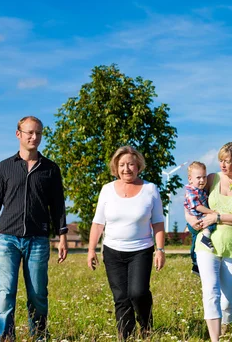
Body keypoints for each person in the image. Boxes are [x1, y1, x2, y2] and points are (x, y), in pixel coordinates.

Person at [0, 116, 68, 342]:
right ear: (19, 134)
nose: (34, 137)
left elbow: (58, 205)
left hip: (38, 240)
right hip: (8, 240)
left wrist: (62, 236)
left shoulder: (51, 169)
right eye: (29, 133)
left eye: (38, 133)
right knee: (5, 294)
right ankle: (5, 338)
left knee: (37, 295)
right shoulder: (4, 167)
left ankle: (40, 337)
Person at [87, 146, 166, 341]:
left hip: (141, 250)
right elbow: (98, 223)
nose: (126, 169)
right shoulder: (107, 190)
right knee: (121, 298)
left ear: (138, 165)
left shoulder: (150, 189)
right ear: (116, 167)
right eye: (121, 165)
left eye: (131, 164)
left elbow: (157, 222)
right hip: (113, 251)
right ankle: (125, 335)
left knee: (138, 293)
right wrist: (91, 250)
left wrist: (160, 250)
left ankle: (146, 324)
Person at [185, 142, 232, 342]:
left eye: (227, 161)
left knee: (227, 299)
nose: (223, 165)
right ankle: (214, 339)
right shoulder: (211, 178)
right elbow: (191, 199)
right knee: (211, 291)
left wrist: (217, 217)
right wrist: (191, 220)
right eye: (221, 161)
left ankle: (226, 326)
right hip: (206, 244)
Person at [184, 161, 217, 275]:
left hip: (198, 219)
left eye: (204, 177)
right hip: (197, 219)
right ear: (190, 179)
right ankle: (206, 237)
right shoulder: (190, 191)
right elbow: (197, 207)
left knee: (194, 242)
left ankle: (195, 264)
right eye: (198, 178)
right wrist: (212, 212)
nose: (202, 180)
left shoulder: (200, 189)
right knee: (212, 222)